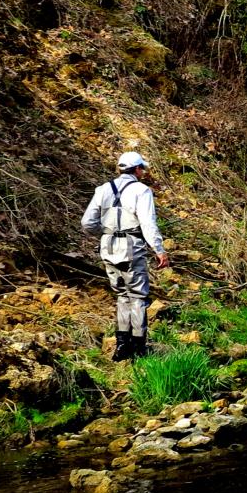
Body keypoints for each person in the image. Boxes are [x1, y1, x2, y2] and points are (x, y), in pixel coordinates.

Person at [81, 152, 170, 361]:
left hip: (108, 247)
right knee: (137, 296)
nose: (143, 173)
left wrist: (105, 232)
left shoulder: (102, 189)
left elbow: (87, 223)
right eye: (142, 169)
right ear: (137, 169)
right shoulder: (141, 191)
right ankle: (138, 346)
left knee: (122, 295)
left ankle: (121, 346)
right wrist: (159, 250)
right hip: (132, 247)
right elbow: (148, 224)